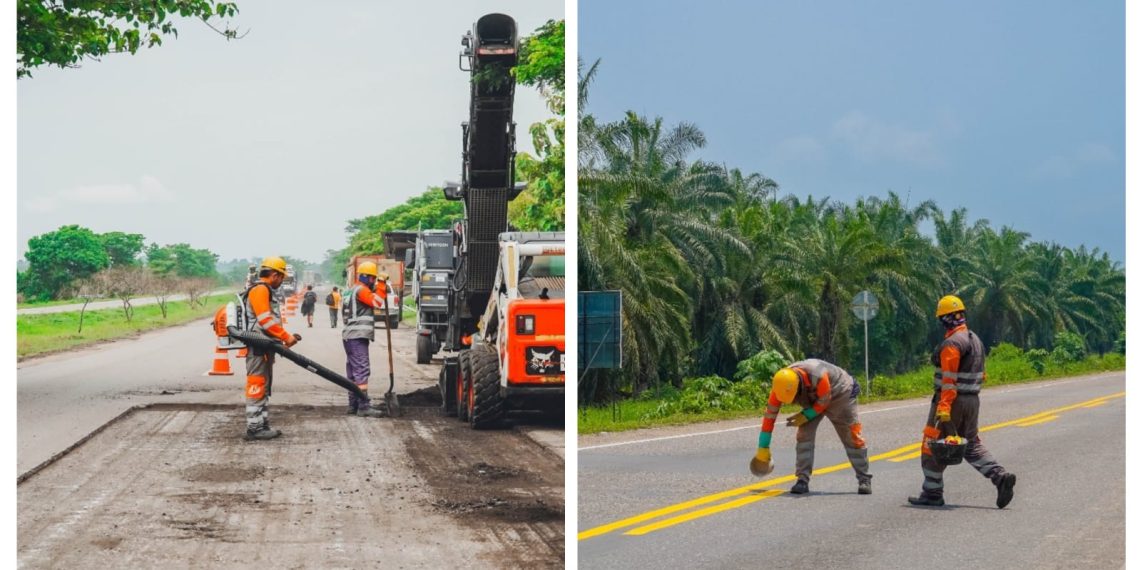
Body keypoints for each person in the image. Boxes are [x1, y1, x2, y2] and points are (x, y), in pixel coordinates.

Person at [909, 295, 1016, 508]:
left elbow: (949, 381)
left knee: (931, 445)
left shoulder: (952, 343)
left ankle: (932, 493)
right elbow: (981, 374)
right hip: (972, 401)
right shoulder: (974, 339)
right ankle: (999, 477)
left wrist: (944, 407)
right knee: (971, 444)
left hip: (952, 402)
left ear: (945, 319)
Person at [751, 359, 872, 495]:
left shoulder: (817, 375)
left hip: (840, 394)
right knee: (804, 435)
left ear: (799, 386)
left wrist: (806, 415)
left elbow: (824, 401)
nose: (794, 401)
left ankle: (864, 478)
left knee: (851, 436)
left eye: (794, 397)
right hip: (814, 399)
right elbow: (769, 417)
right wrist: (763, 447)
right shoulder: (780, 386)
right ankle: (802, 480)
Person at [239, 256, 298, 440]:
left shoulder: (264, 290)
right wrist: (286, 336)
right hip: (258, 346)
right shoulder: (260, 290)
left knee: (263, 385)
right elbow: (265, 321)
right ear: (274, 275)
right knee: (257, 384)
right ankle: (254, 428)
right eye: (281, 277)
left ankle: (262, 425)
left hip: (264, 346)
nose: (281, 282)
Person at [341, 261, 388, 417]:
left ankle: (352, 405)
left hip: (349, 336)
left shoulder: (350, 291)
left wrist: (378, 287)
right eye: (372, 278)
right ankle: (363, 406)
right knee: (361, 370)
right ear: (365, 277)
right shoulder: (361, 290)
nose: (373, 281)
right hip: (357, 336)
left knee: (352, 372)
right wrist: (382, 285)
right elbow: (377, 302)